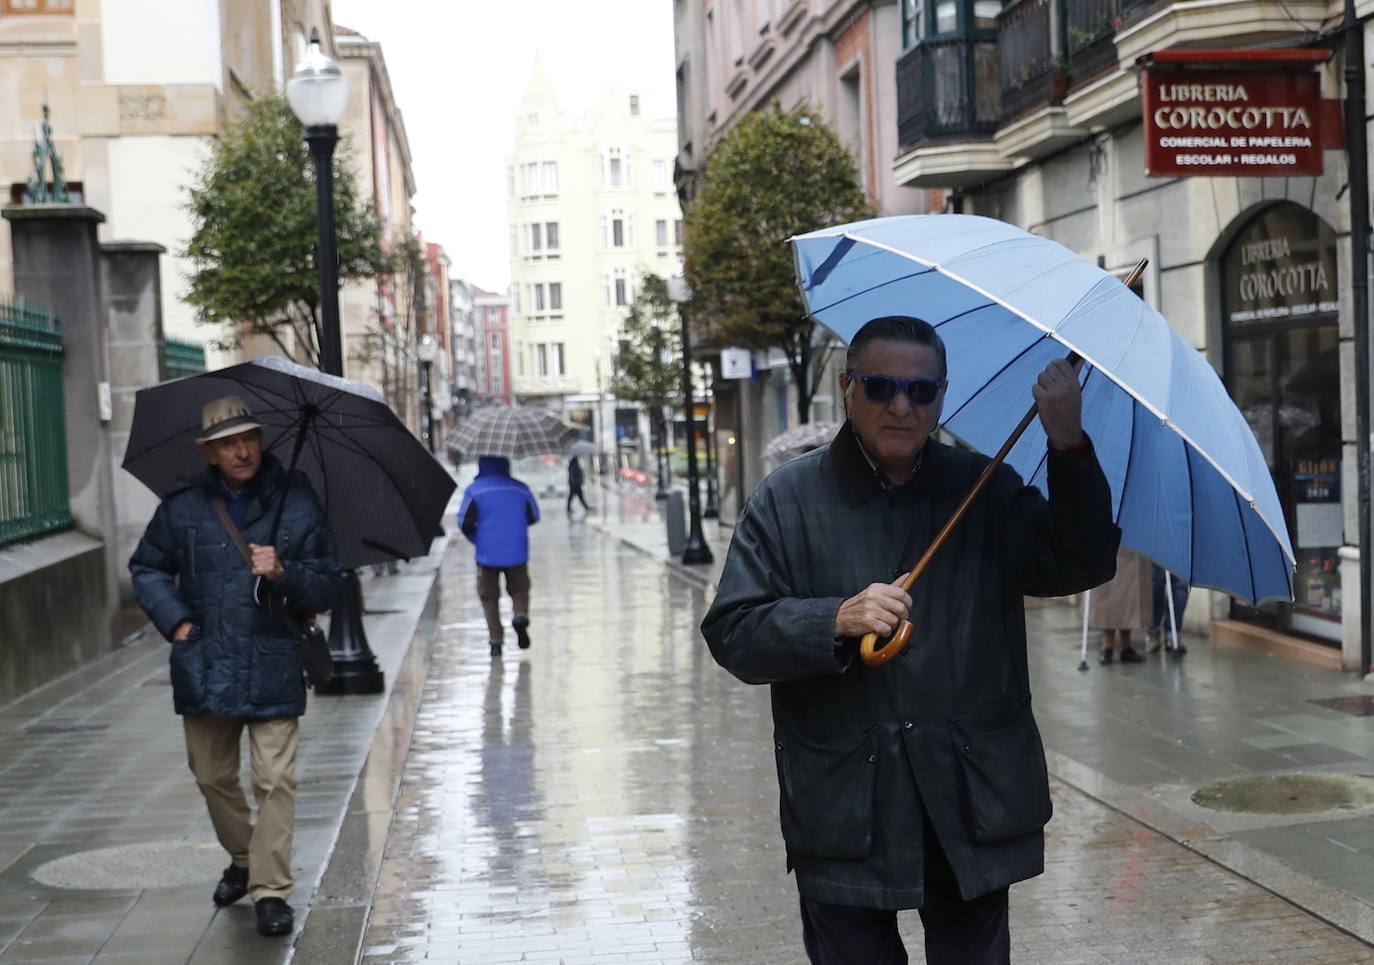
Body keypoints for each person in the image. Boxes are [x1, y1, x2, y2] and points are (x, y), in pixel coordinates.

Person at [700, 316, 1119, 965]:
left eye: (922, 391)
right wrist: (834, 617)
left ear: (942, 395)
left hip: (967, 798)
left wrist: (1068, 442)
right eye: (881, 386)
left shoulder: (982, 488)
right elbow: (733, 629)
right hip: (846, 805)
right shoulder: (789, 499)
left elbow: (1081, 560)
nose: (902, 405)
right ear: (846, 386)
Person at [129, 396, 343, 938]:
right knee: (212, 777)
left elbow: (330, 581)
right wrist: (177, 624)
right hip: (206, 661)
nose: (242, 450)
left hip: (273, 656)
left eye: (248, 438)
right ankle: (244, 858)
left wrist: (283, 573)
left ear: (261, 440)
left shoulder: (296, 501)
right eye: (228, 443)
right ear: (210, 451)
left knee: (275, 781)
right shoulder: (182, 506)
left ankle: (270, 891)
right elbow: (148, 567)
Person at [459, 455, 540, 656]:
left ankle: (496, 641)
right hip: (517, 551)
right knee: (520, 588)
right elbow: (534, 516)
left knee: (489, 596)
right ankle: (520, 615)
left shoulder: (475, 490)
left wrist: (478, 539)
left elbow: (465, 523)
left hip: (487, 553)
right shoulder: (521, 488)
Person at [1090, 547, 1152, 664]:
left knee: (1129, 594)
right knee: (1108, 593)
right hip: (1109, 543)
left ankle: (1126, 645)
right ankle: (1107, 644)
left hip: (1132, 545)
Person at [1146, 561, 1190, 653]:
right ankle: (1153, 631)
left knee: (1181, 588)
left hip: (1180, 551)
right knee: (1155, 587)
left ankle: (1173, 635)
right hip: (1157, 550)